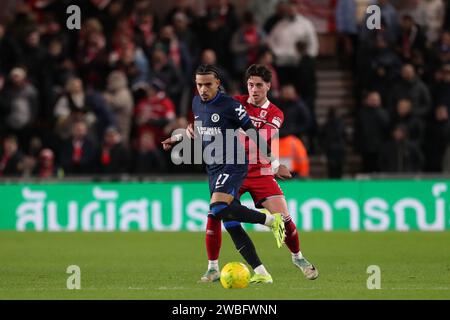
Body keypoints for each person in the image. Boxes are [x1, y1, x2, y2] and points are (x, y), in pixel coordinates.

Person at [188, 65, 318, 283]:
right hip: (231, 167)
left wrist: (275, 165)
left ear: (268, 86)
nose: (254, 89)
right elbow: (209, 117)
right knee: (217, 214)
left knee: (285, 219)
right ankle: (215, 267)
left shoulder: (275, 113)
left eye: (259, 85)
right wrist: (194, 128)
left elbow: (258, 137)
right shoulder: (234, 102)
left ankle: (298, 258)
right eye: (250, 84)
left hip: (260, 170)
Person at [162, 64, 288, 282]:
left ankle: (270, 221)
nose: (203, 89)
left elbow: (254, 134)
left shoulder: (230, 105)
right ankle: (260, 272)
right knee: (226, 218)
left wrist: (275, 164)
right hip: (213, 167)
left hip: (235, 163)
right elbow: (199, 130)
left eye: (208, 84)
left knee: (218, 208)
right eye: (199, 84)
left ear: (218, 83)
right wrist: (177, 138)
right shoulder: (196, 103)